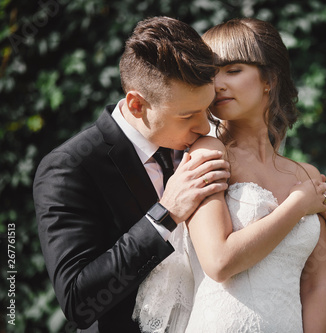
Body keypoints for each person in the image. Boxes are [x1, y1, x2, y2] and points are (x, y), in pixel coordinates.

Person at [134, 18, 326, 332]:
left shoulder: (307, 176)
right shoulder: (208, 153)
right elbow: (219, 262)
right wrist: (297, 205)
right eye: (211, 73)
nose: (219, 84)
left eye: (233, 70)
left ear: (269, 78)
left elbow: (316, 285)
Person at [33, 17, 231, 333]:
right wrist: (165, 214)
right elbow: (78, 303)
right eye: (187, 115)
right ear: (137, 105)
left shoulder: (209, 141)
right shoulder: (69, 168)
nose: (205, 126)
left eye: (206, 109)